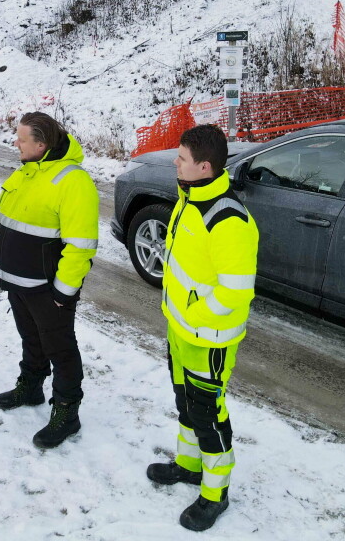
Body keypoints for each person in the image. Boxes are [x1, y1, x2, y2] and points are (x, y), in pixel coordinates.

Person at [146, 125, 259, 532]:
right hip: (181, 332)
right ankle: (189, 467)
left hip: (208, 339)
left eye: (181, 158)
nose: (174, 162)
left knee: (209, 416)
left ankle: (215, 494)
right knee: (186, 405)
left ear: (204, 166)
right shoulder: (188, 199)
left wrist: (193, 316)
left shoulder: (227, 220)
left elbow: (235, 293)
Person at [0, 112, 99, 449]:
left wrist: (63, 292)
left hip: (47, 288)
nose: (15, 143)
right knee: (31, 338)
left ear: (42, 144)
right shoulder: (29, 170)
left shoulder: (72, 180)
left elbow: (81, 245)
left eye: (22, 139)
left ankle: (67, 412)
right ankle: (31, 386)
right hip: (19, 281)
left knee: (60, 349)